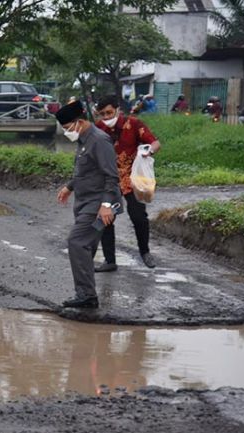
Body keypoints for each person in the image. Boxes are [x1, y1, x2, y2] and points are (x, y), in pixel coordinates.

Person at [56, 100, 120, 309]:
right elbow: (86, 170)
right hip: (85, 203)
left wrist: (107, 205)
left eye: (67, 128)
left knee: (77, 242)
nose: (67, 133)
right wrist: (70, 186)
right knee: (87, 246)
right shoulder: (83, 140)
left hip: (98, 205)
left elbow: (111, 176)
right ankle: (86, 294)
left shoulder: (99, 140)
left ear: (79, 122)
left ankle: (87, 296)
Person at [94, 94, 161, 270]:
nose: (106, 117)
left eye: (109, 112)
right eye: (102, 114)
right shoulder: (99, 128)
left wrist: (149, 152)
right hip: (109, 181)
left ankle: (145, 252)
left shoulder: (134, 124)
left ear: (117, 110)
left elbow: (155, 143)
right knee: (106, 217)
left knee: (139, 216)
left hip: (131, 179)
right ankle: (109, 261)